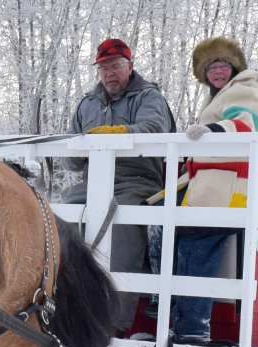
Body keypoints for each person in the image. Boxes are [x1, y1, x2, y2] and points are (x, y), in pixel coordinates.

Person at [150, 37, 258, 347]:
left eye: (222, 65)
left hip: (233, 185)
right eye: (211, 68)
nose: (217, 72)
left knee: (194, 241)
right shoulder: (220, 95)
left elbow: (248, 124)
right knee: (160, 222)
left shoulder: (245, 87)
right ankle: (169, 308)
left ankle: (189, 325)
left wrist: (213, 131)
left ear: (234, 67)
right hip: (215, 183)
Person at [64, 38, 178, 329]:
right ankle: (63, 308)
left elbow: (154, 130)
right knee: (61, 214)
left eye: (115, 66)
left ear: (130, 67)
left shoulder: (148, 96)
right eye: (103, 68)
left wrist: (115, 133)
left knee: (124, 219)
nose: (109, 74)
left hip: (138, 181)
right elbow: (72, 160)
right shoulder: (87, 104)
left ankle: (114, 322)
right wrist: (75, 152)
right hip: (92, 182)